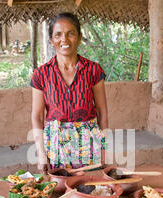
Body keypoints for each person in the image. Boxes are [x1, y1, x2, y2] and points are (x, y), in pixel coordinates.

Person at [30, 12, 108, 174]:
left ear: (79, 38)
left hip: (89, 143)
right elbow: (37, 116)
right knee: (60, 190)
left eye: (70, 33)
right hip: (55, 145)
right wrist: (41, 154)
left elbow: (102, 112)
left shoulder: (93, 70)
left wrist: (104, 149)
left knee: (90, 190)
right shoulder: (41, 74)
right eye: (58, 35)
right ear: (51, 40)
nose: (64, 39)